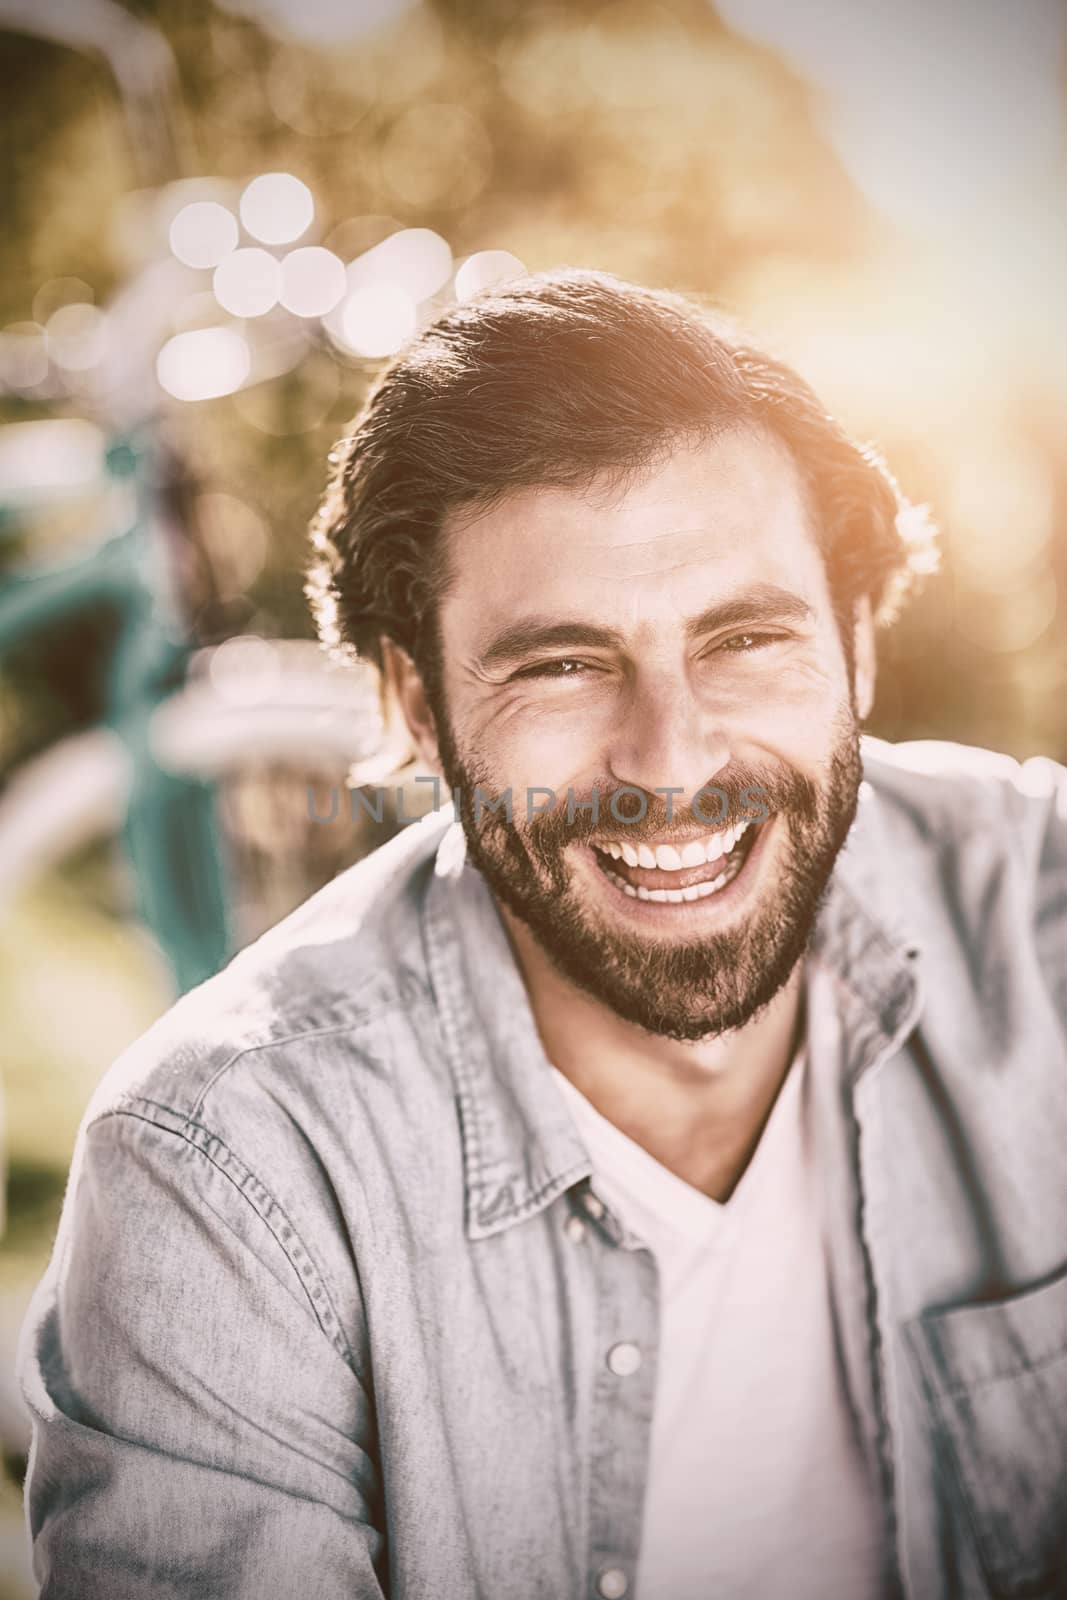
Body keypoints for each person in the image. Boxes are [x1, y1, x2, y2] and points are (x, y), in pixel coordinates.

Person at [17, 270, 1067, 1600]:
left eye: (745, 638)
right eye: (561, 663)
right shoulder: (226, 1177)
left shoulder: (1043, 919)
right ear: (412, 700)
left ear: (855, 647)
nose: (669, 759)